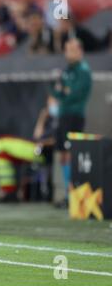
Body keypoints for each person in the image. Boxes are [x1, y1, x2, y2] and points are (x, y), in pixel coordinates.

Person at [49, 38, 92, 208]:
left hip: (74, 116)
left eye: (73, 50)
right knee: (63, 154)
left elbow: (74, 94)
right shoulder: (66, 70)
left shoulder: (83, 70)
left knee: (72, 153)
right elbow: (57, 91)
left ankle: (75, 195)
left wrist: (64, 93)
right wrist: (62, 92)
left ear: (80, 51)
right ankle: (67, 194)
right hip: (63, 115)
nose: (69, 53)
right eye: (67, 50)